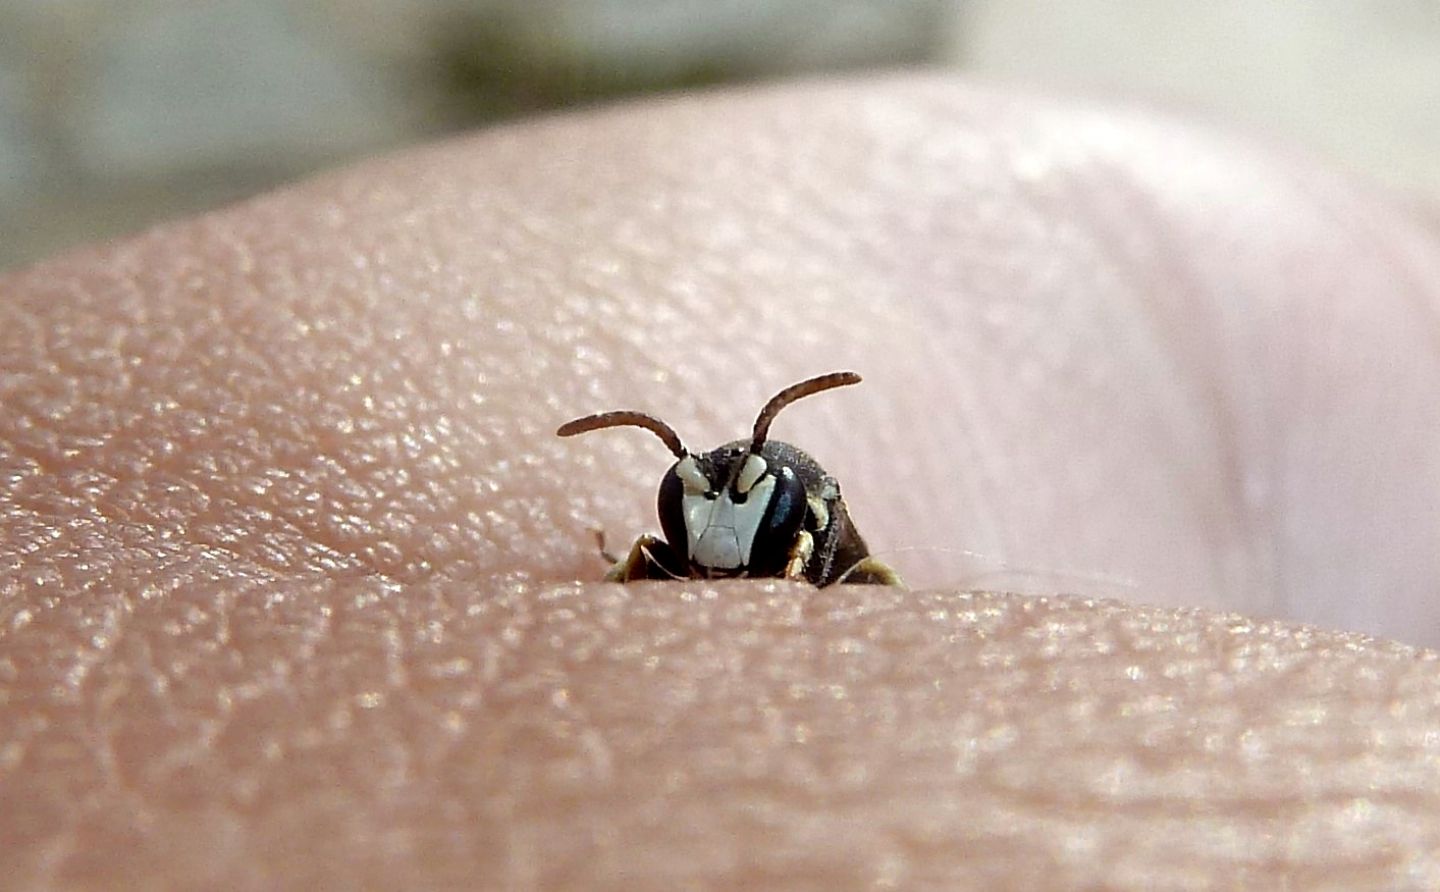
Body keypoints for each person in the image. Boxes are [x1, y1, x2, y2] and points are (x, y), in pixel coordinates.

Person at [4, 76, 1440, 887]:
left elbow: (846, 568)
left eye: (742, 485)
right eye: (702, 492)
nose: (718, 503)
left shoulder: (816, 517)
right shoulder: (685, 509)